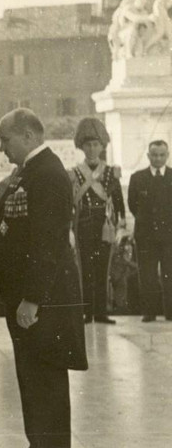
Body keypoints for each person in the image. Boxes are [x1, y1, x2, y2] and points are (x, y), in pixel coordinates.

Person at [0, 108, 87, 448]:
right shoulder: (32, 170)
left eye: (6, 139)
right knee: (33, 382)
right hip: (29, 301)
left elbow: (47, 244)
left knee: (44, 382)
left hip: (42, 302)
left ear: (28, 135)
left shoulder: (47, 173)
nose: (0, 148)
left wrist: (31, 298)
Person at [68, 118, 125, 324]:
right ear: (82, 147)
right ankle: (86, 312)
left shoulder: (110, 172)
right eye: (88, 145)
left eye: (96, 145)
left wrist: (121, 223)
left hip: (104, 224)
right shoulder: (75, 173)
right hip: (83, 222)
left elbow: (117, 200)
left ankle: (101, 312)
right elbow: (70, 203)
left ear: (102, 146)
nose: (92, 149)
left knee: (103, 267)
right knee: (85, 267)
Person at [128, 139, 172, 322]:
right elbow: (132, 205)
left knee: (170, 273)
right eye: (154, 155)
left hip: (169, 235)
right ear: (148, 156)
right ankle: (149, 312)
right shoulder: (137, 178)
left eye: (162, 155)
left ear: (167, 156)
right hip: (146, 236)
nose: (158, 158)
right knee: (147, 275)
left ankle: (170, 312)